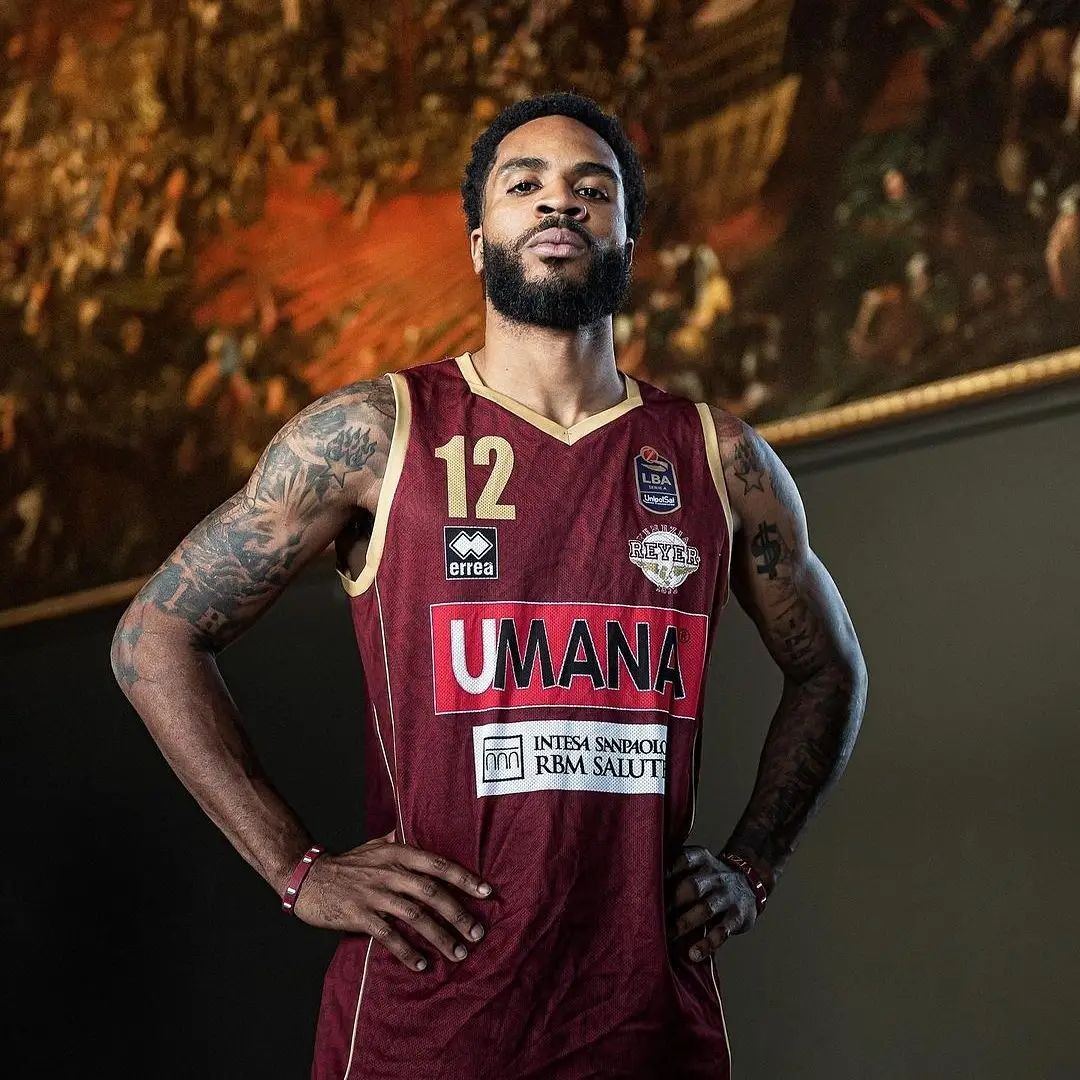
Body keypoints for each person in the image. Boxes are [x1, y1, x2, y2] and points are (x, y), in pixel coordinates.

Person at [110, 90, 867, 1079]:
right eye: (525, 184)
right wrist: (297, 870)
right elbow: (152, 638)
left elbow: (830, 670)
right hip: (428, 1020)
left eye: (592, 189)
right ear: (477, 243)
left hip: (643, 1019)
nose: (560, 202)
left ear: (629, 240)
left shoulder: (719, 460)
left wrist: (751, 865)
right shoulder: (373, 434)